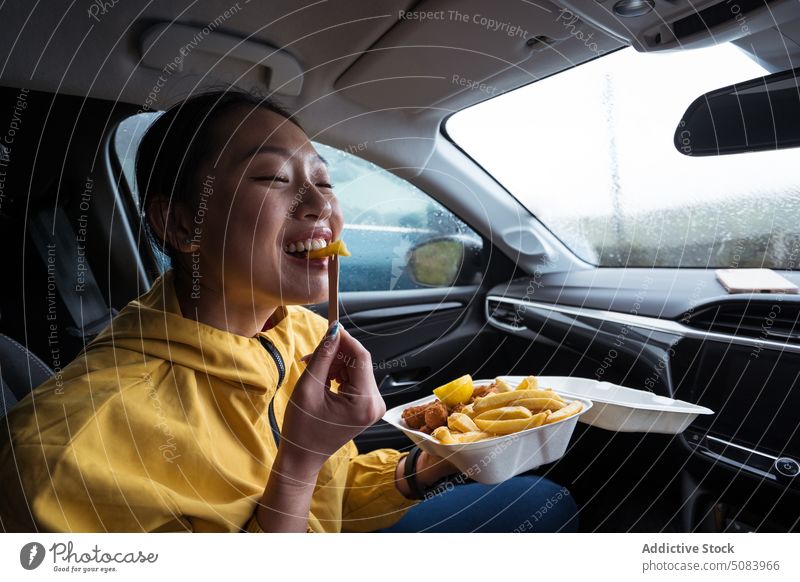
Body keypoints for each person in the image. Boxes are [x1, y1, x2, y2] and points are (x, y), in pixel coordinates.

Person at [0, 90, 577, 533]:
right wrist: (299, 457)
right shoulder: (70, 449)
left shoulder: (297, 330)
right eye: (274, 177)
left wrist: (439, 462)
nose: (321, 203)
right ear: (180, 223)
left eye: (325, 181)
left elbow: (334, 496)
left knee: (542, 497)